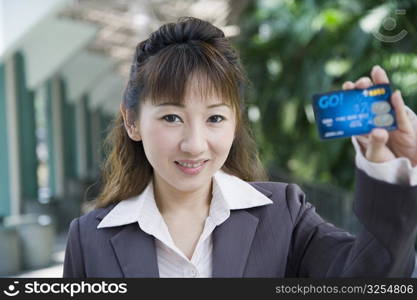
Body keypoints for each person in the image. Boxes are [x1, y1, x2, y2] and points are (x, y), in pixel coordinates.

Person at [63, 17, 417, 278]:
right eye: (172, 118)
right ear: (132, 122)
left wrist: (389, 170)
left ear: (235, 123)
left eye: (215, 119)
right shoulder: (90, 239)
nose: (194, 144)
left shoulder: (284, 215)